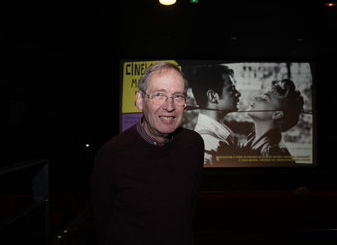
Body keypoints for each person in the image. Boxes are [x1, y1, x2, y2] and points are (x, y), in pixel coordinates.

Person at [90, 62, 204, 245]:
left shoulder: (194, 145)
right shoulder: (111, 155)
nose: (169, 106)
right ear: (139, 100)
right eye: (159, 95)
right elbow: (100, 221)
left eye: (177, 96)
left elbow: (190, 208)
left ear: (185, 103)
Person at [191, 65, 241, 165]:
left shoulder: (217, 136)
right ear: (212, 96)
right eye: (231, 89)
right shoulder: (210, 143)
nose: (238, 93)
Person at [242, 78, 304, 156]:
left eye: (264, 99)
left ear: (277, 114)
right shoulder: (251, 140)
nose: (255, 98)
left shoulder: (274, 152)